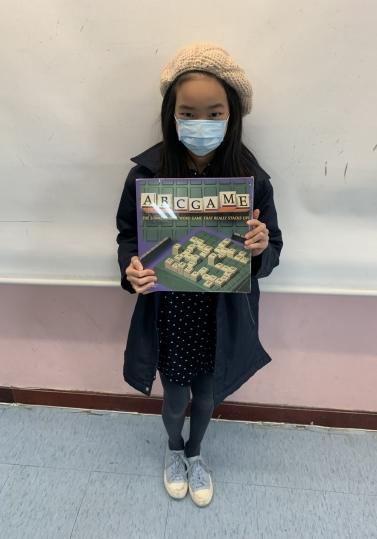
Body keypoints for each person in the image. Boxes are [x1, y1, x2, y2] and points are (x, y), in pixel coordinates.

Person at [116, 42, 283, 507]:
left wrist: (259, 249)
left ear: (232, 116)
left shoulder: (252, 180)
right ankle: (174, 450)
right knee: (174, 399)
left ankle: (196, 453)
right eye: (188, 113)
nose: (201, 124)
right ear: (172, 114)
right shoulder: (147, 176)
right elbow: (129, 237)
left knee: (208, 397)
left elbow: (273, 248)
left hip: (221, 316)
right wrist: (132, 268)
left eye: (215, 113)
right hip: (170, 314)